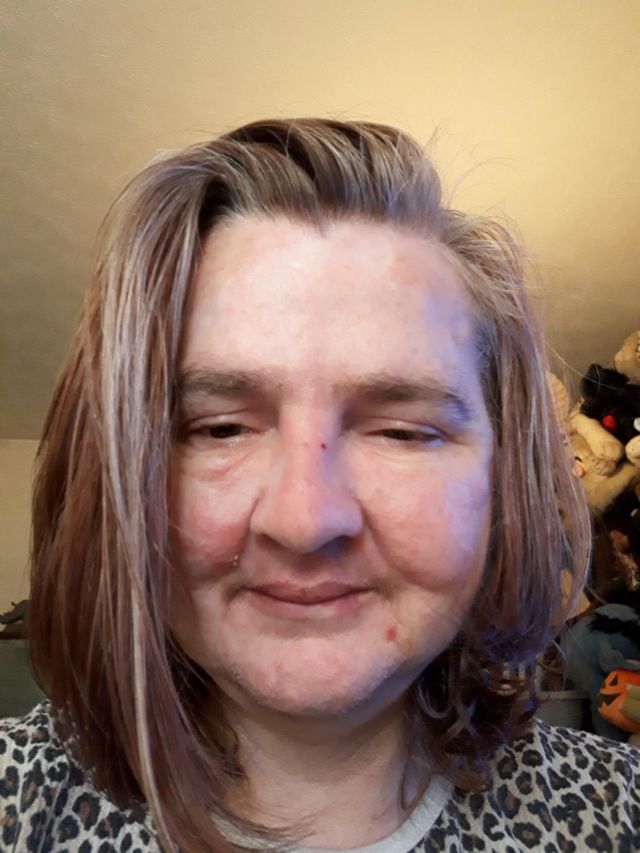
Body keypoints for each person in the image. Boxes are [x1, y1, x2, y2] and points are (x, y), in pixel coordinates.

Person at [1, 118, 638, 853]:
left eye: (402, 432)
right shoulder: (19, 800)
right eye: (220, 428)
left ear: (503, 484)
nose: (305, 519)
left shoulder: (616, 811)